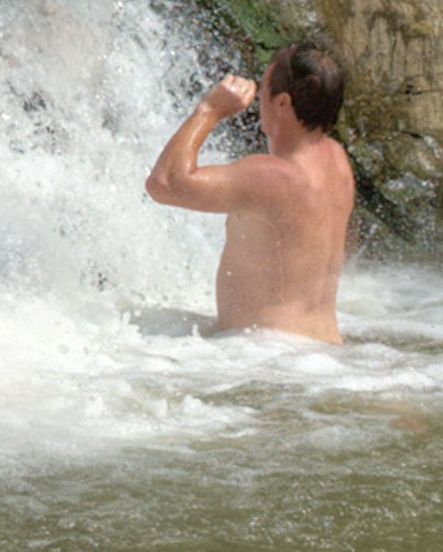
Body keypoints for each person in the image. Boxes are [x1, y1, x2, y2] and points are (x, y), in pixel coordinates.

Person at [144, 41, 356, 340]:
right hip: (320, 350)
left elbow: (164, 183)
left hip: (271, 355)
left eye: (262, 89)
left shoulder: (274, 176)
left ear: (282, 103)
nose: (257, 99)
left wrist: (209, 110)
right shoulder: (338, 162)